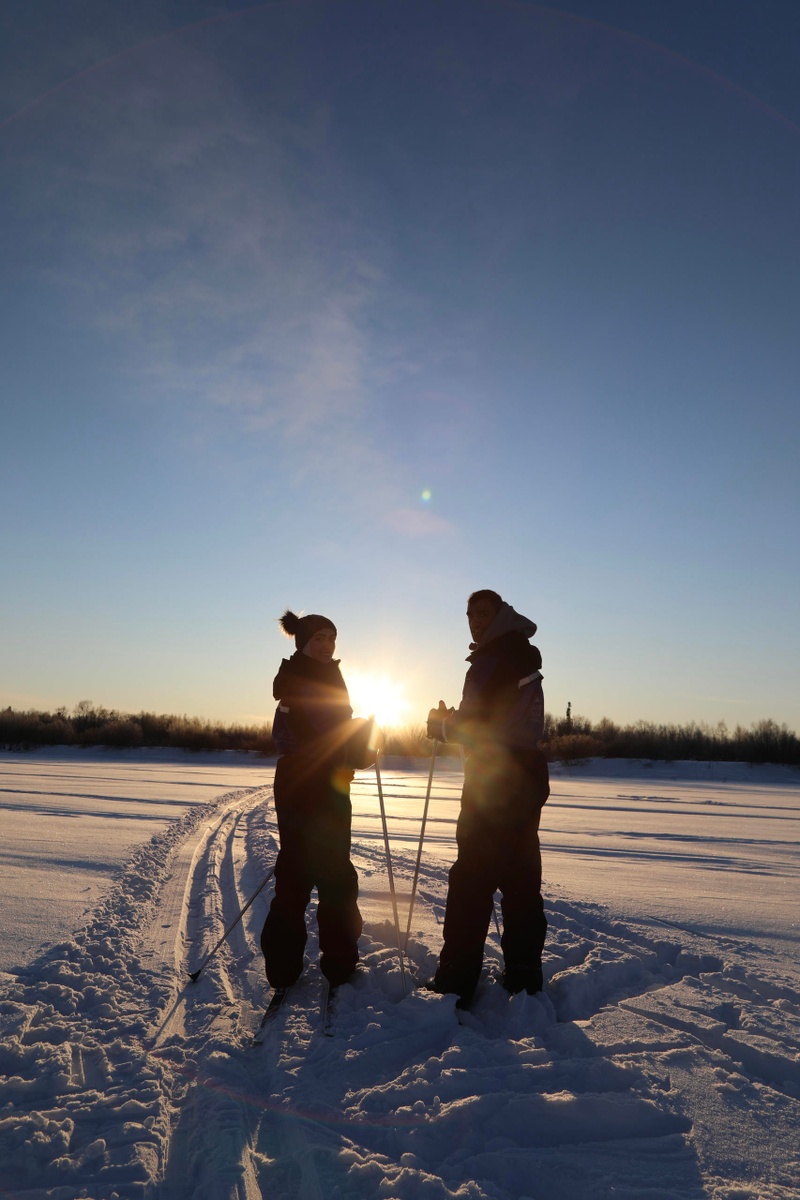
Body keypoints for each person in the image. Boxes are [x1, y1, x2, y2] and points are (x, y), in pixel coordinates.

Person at [426, 589, 550, 1007]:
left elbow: (478, 723)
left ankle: (456, 982)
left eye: (482, 613)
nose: (474, 620)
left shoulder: (493, 658)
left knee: (472, 881)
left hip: (494, 779)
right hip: (527, 776)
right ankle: (524, 976)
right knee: (520, 879)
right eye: (469, 614)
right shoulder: (523, 653)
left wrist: (441, 725)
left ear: (500, 616)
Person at [261, 610, 366, 992]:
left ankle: (339, 962)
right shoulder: (294, 680)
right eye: (319, 639)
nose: (327, 646)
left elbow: (341, 736)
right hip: (301, 786)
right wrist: (345, 749)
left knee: (335, 874)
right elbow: (290, 739)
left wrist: (360, 745)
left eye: (331, 638)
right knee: (297, 872)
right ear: (303, 643)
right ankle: (284, 968)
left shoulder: (332, 677)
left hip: (332, 784)